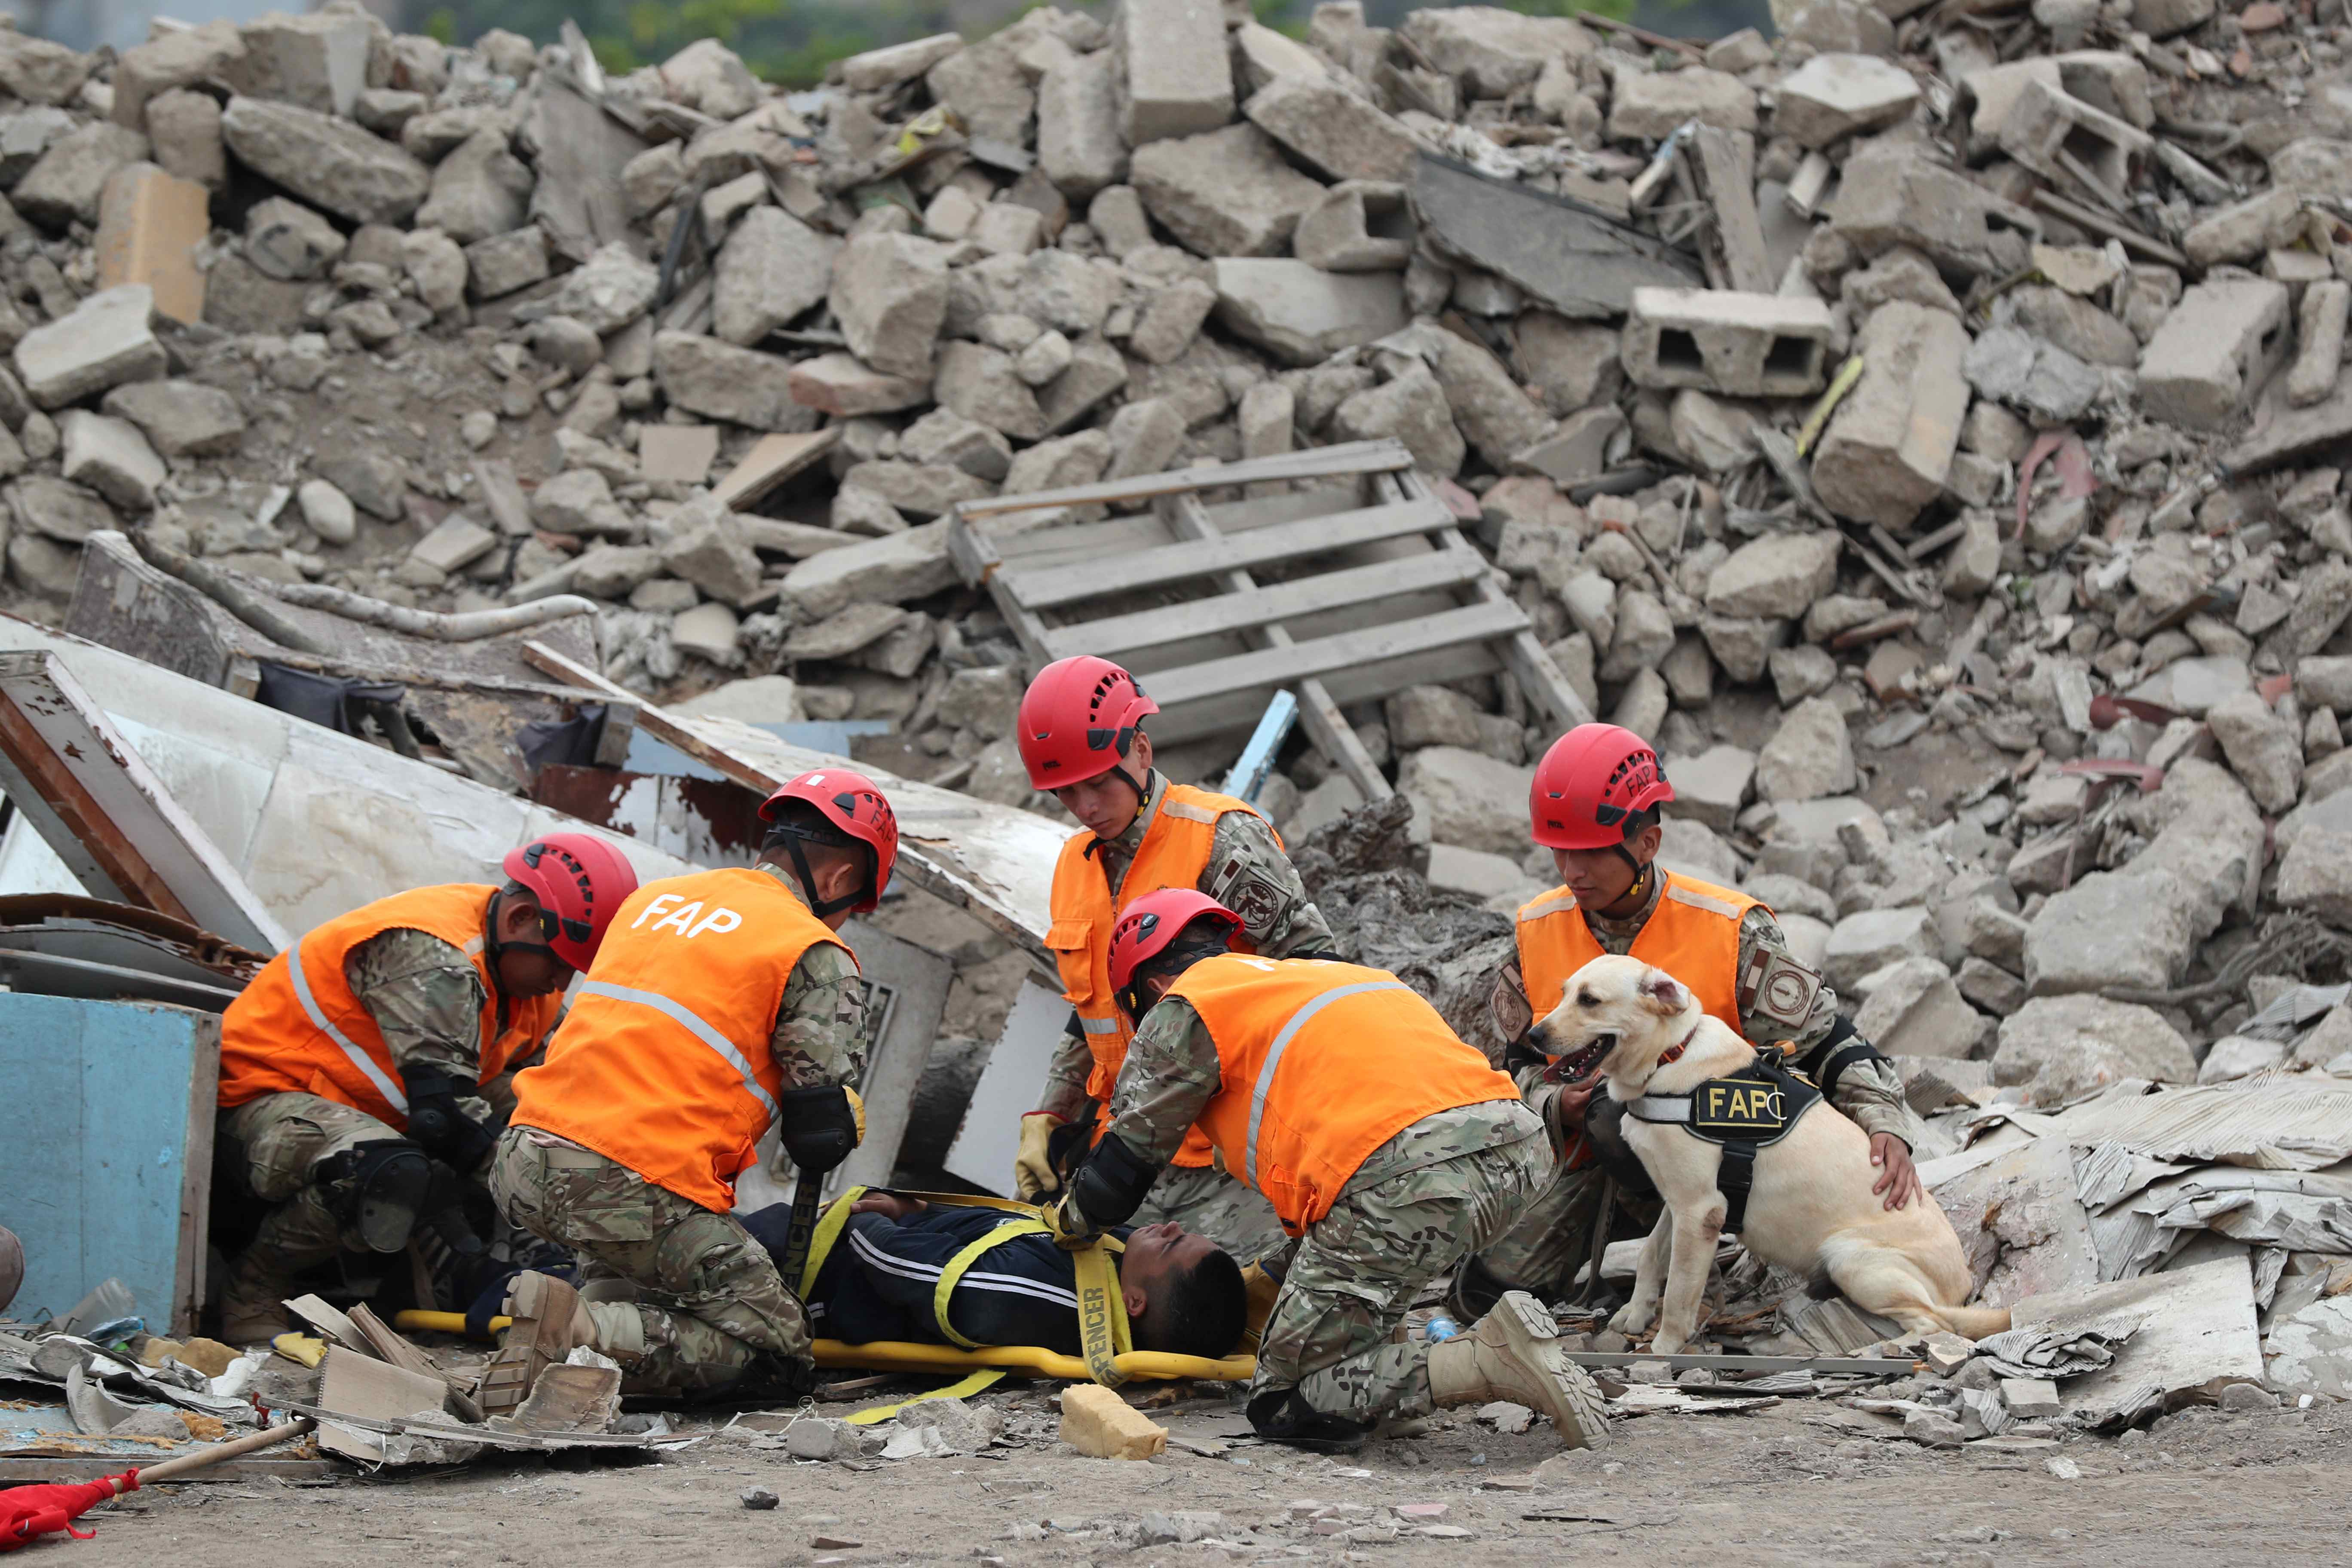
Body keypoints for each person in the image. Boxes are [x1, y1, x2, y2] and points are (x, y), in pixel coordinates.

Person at [1041, 890, 1612, 1454]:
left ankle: (1485, 1362)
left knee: (1284, 1402)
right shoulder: (1331, 979)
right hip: (1522, 1150)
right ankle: (1388, 1396)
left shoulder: (1188, 1004)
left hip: (1407, 1179)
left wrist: (1069, 1222)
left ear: (1152, 989)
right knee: (1365, 1250)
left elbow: (1124, 1167)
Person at [1467, 723, 1928, 1310]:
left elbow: (1828, 1039)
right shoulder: (1535, 930)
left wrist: (1884, 1121)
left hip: (1729, 1159)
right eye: (1558, 852)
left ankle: (1715, 1244)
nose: (1570, 872)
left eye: (1587, 853)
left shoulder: (1730, 930)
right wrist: (1557, 1103)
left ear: (1647, 844)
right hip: (1593, 1158)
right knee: (1489, 1290)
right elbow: (1514, 1066)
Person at [485, 769, 897, 1411]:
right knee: (780, 1353)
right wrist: (839, 1117)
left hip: (522, 1158)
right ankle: (580, 1334)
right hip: (628, 1181)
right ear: (843, 881)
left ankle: (570, 1338)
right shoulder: (812, 946)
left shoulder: (656, 902)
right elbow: (817, 1127)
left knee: (644, 1281)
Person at [210, 835, 639, 1343]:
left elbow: (565, 1092)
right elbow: (446, 1121)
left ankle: (455, 1276)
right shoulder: (434, 957)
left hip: (370, 1111)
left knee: (553, 1119)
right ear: (521, 918)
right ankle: (253, 1293)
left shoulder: (525, 975)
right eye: (560, 962)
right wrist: (547, 1213)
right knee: (390, 1170)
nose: (561, 982)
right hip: (264, 1101)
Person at [1012, 655, 1335, 1265]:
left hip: (1232, 1160)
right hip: (1130, 1151)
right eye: (1065, 792)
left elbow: (1317, 980)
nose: (1084, 806)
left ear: (1140, 749)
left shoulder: (1220, 839)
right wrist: (1050, 1113)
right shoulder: (1074, 866)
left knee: (1211, 1319)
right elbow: (1092, 1009)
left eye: (1098, 783)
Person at [741, 1190, 1246, 1362]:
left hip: (793, 1275)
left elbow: (890, 1261)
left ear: (1135, 1304)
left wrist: (871, 1213)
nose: (1172, 1226)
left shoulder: (1036, 1298)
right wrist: (921, 1205)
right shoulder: (1115, 1261)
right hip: (811, 1238)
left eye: (1174, 1243)